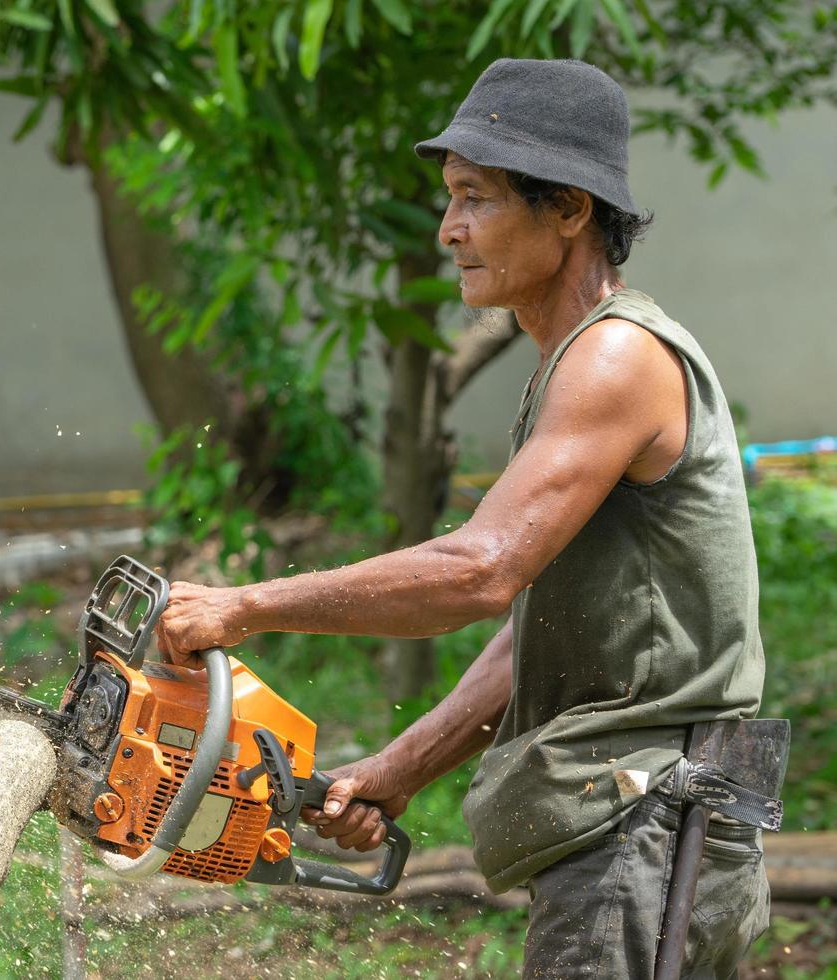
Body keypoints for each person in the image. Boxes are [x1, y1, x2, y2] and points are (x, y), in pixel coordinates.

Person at [155, 59, 769, 977]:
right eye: (450, 198)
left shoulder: (614, 358)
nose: (448, 230)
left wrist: (243, 607)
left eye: (475, 198)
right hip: (647, 822)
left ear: (568, 209)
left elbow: (480, 571)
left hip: (648, 826)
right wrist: (398, 768)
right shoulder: (573, 363)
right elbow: (541, 632)